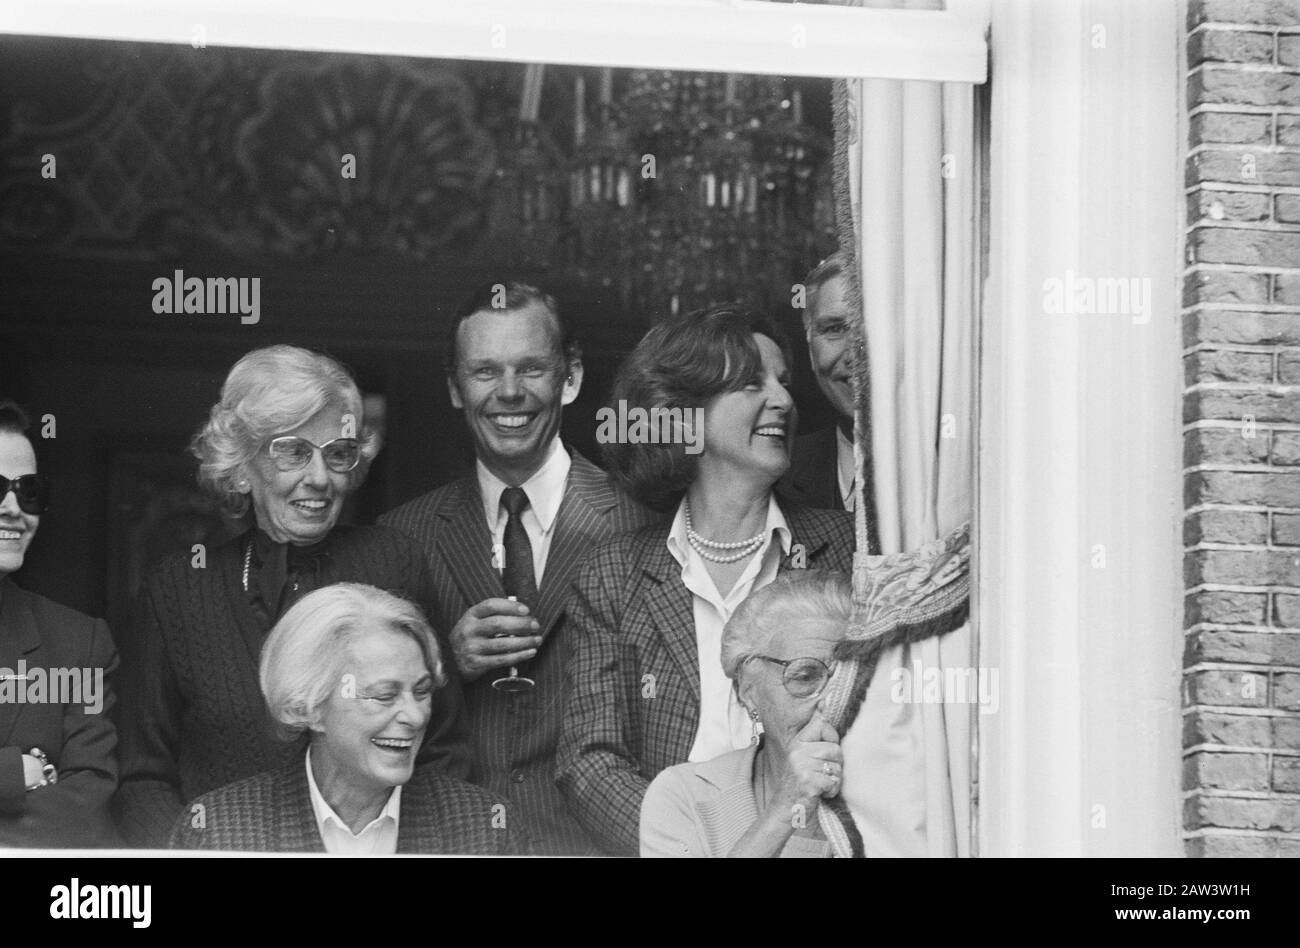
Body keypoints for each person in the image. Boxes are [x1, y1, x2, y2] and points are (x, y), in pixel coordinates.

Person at [115, 345, 470, 847]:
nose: (320, 478)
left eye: (338, 454)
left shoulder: (394, 563)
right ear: (241, 466)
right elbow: (142, 779)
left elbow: (444, 749)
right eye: (293, 451)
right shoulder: (178, 589)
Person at [556, 304, 854, 856]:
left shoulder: (848, 552)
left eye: (783, 383)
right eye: (750, 383)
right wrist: (688, 843)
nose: (785, 401)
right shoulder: (614, 576)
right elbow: (589, 762)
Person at [382, 282, 658, 855]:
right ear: (456, 389)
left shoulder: (643, 524)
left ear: (571, 376)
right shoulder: (401, 537)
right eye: (485, 373)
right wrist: (441, 665)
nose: (509, 393)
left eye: (531, 368)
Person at [171, 583, 520, 853]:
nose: (414, 717)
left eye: (422, 691)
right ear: (310, 706)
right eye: (384, 696)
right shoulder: (218, 832)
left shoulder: (486, 829)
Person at [640, 571, 851, 857]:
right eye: (804, 676)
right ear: (747, 690)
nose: (830, 698)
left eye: (847, 679)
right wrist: (788, 804)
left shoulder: (898, 790)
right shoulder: (685, 796)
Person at [0, 400, 120, 847]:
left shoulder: (80, 645)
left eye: (28, 490)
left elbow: (82, 819)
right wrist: (16, 774)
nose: (13, 507)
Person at [778, 252, 880, 550]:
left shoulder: (956, 471)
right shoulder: (777, 475)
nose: (854, 355)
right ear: (811, 351)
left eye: (872, 327)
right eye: (834, 329)